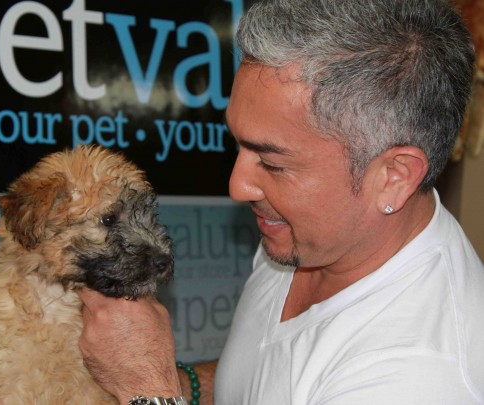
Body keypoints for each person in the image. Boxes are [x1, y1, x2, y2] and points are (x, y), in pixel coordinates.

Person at [78, 0, 484, 403]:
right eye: (237, 146)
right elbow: (272, 376)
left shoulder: (419, 376)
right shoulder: (309, 231)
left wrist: (148, 389)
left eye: (272, 164)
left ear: (393, 178)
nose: (238, 186)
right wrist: (179, 383)